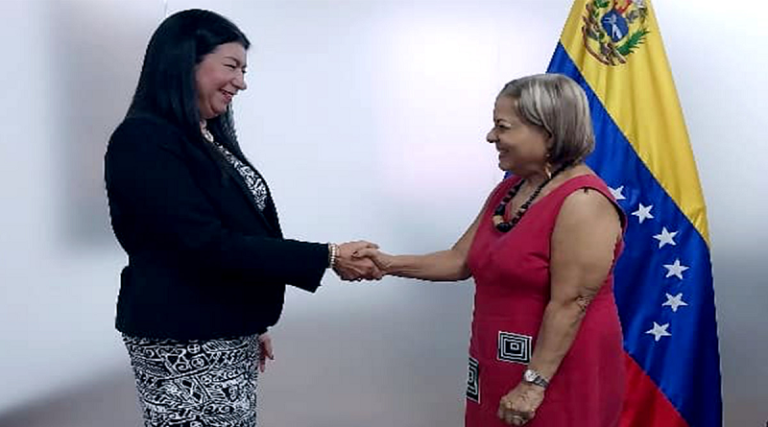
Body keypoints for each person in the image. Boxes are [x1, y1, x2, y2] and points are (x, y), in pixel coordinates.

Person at [104, 9, 380, 427]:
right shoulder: (143, 138)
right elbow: (202, 243)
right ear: (184, 61)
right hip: (182, 332)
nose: (241, 82)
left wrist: (249, 319)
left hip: (223, 326)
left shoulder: (207, 137)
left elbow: (241, 230)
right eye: (231, 66)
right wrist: (328, 255)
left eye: (244, 70)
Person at [356, 74, 626, 426]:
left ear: (548, 132)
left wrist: (533, 385)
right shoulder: (510, 191)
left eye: (503, 127)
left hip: (554, 371)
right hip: (496, 364)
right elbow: (459, 260)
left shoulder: (583, 201)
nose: (491, 136)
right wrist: (387, 263)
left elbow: (571, 302)